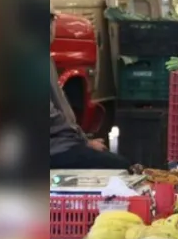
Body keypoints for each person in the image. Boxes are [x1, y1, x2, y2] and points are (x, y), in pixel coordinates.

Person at [50, 17, 130, 170]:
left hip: (60, 144)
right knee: (122, 168)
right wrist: (83, 142)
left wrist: (84, 141)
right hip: (54, 149)